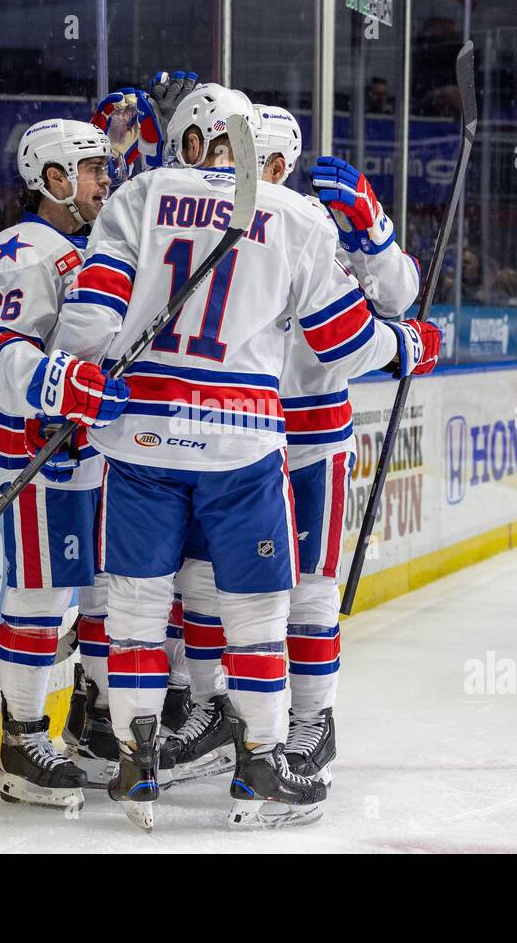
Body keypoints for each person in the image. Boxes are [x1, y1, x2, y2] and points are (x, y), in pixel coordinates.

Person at [53, 83, 440, 830]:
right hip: (243, 439)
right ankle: (259, 761)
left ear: (193, 141)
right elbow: (343, 339)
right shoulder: (293, 215)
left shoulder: (141, 192)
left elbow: (91, 326)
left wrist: (67, 381)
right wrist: (405, 348)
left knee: (139, 605)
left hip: (145, 434)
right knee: (255, 611)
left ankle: (140, 761)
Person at [165, 103, 423, 792]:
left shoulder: (310, 226)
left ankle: (312, 723)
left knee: (307, 590)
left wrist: (373, 230)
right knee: (200, 579)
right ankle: (211, 708)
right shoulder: (219, 221)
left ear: (275, 165)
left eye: (242, 156)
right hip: (228, 433)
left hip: (308, 437)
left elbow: (397, 297)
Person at [0, 117, 126, 811]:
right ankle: (23, 743)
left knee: (101, 601)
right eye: (93, 169)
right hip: (39, 453)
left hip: (94, 456)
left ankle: (92, 733)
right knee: (38, 597)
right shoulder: (20, 251)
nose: (105, 180)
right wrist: (61, 384)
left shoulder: (96, 246)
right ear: (55, 179)